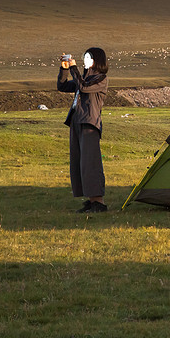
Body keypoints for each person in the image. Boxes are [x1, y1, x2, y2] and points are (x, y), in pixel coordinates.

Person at [58, 47, 109, 213]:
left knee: (90, 162)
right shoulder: (84, 78)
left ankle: (98, 201)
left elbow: (84, 87)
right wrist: (65, 68)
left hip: (89, 124)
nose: (85, 61)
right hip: (77, 121)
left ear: (97, 60)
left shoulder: (100, 78)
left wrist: (74, 69)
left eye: (88, 58)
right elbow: (63, 86)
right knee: (79, 162)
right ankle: (90, 199)